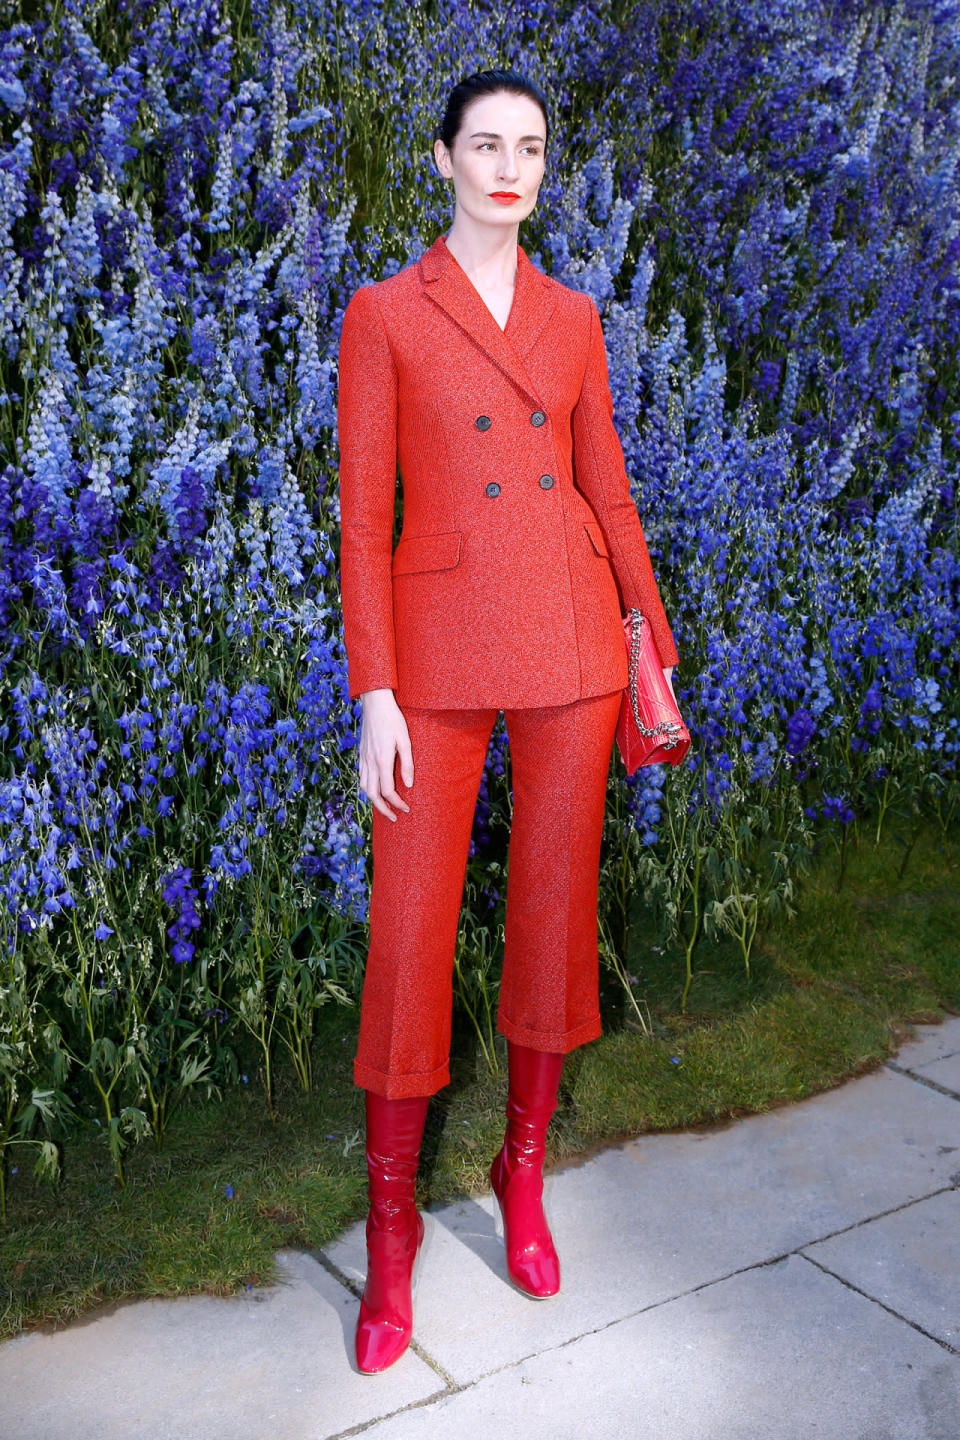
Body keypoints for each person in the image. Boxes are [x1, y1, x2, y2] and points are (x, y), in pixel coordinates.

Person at [336, 68, 680, 1374]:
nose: (508, 166)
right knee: (411, 939)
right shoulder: (385, 312)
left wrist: (651, 647)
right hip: (429, 661)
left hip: (573, 648)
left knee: (551, 919)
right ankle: (389, 1237)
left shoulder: (577, 316)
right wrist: (372, 690)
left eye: (529, 148)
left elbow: (615, 495)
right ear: (441, 158)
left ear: (545, 168)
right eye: (486, 143)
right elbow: (366, 520)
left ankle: (520, 1172)